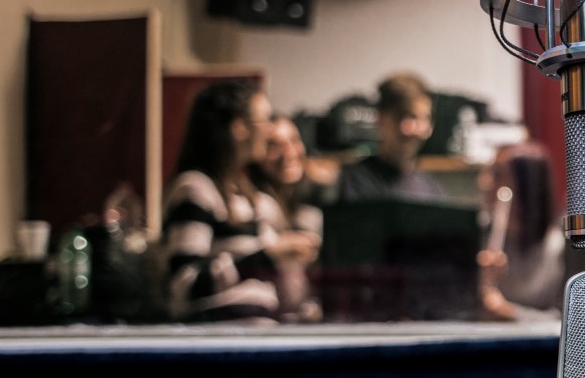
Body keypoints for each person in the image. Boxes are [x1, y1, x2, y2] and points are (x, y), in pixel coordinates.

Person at [160, 79, 318, 323]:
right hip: (220, 337)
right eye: (264, 120)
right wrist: (267, 258)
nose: (269, 130)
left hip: (258, 332)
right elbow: (183, 286)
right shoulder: (195, 189)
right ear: (239, 128)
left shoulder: (249, 198)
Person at [475, 141, 566, 321]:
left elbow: (568, 320)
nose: (485, 183)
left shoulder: (562, 246)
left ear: (528, 185)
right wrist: (482, 282)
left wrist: (510, 313)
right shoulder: (482, 238)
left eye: (498, 175)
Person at [249, 113, 324, 322]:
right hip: (266, 325)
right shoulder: (253, 207)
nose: (288, 152)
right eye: (274, 145)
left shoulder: (310, 212)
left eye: (293, 140)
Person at [337, 71, 445, 202]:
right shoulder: (355, 180)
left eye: (424, 118)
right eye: (405, 117)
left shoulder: (430, 189)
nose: (414, 129)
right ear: (381, 118)